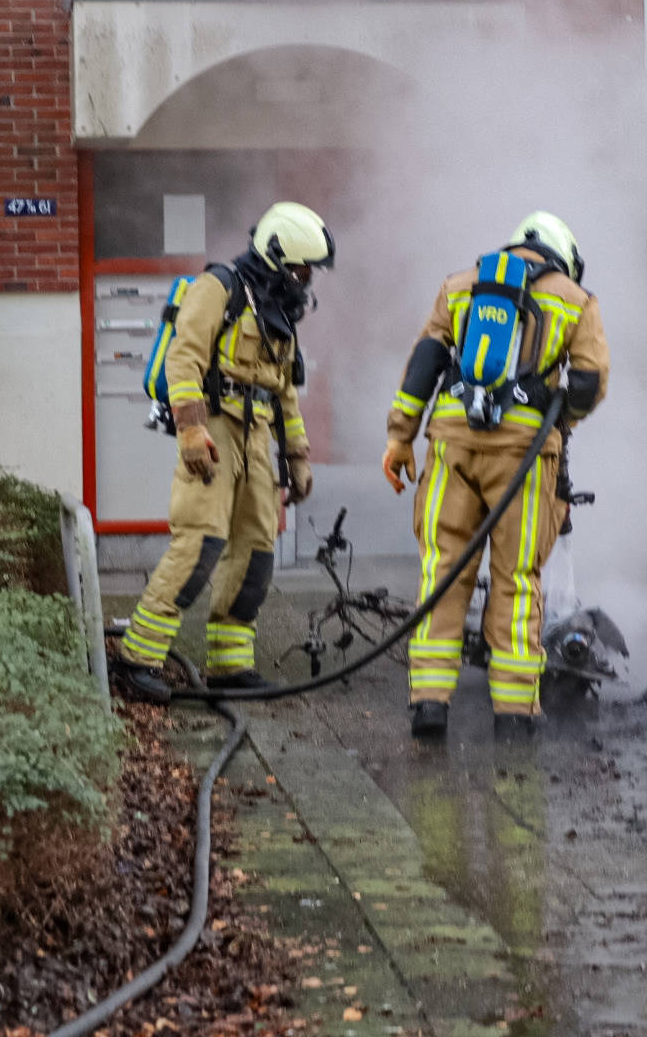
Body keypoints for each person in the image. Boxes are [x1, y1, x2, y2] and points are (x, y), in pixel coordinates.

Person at [381, 211, 610, 738]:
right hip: (524, 459)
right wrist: (557, 421)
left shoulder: (461, 286)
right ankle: (512, 714)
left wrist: (400, 437)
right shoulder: (576, 299)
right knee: (516, 580)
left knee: (442, 569)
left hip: (450, 447)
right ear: (563, 257)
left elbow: (424, 363)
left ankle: (430, 705)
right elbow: (591, 381)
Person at [116, 201, 333, 691]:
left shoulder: (278, 309)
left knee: (256, 550)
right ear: (278, 255)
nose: (306, 279)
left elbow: (285, 391)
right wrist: (191, 430)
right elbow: (184, 359)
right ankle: (137, 661)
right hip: (214, 429)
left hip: (257, 435)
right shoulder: (219, 287)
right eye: (302, 268)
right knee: (201, 540)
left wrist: (296, 456)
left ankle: (229, 665)